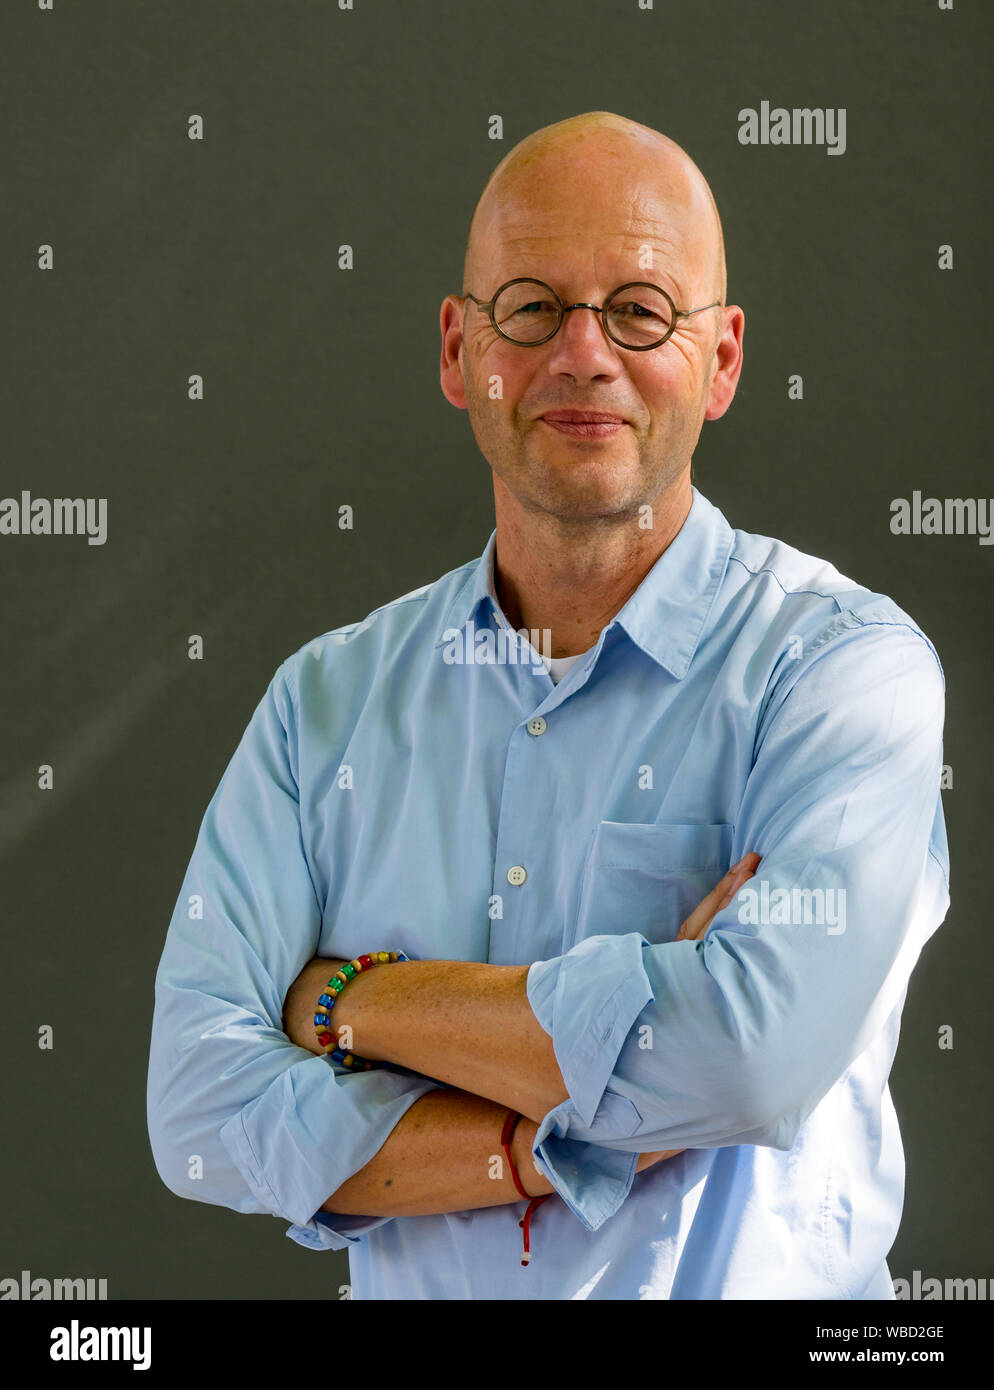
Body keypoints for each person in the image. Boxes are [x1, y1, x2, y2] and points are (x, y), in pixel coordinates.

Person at [147, 111, 950, 1300]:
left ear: (722, 360)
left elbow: (746, 1060)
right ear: (455, 348)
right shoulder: (325, 704)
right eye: (531, 307)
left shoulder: (839, 674)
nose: (584, 354)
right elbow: (199, 1112)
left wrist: (346, 998)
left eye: (639, 309)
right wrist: (555, 1130)